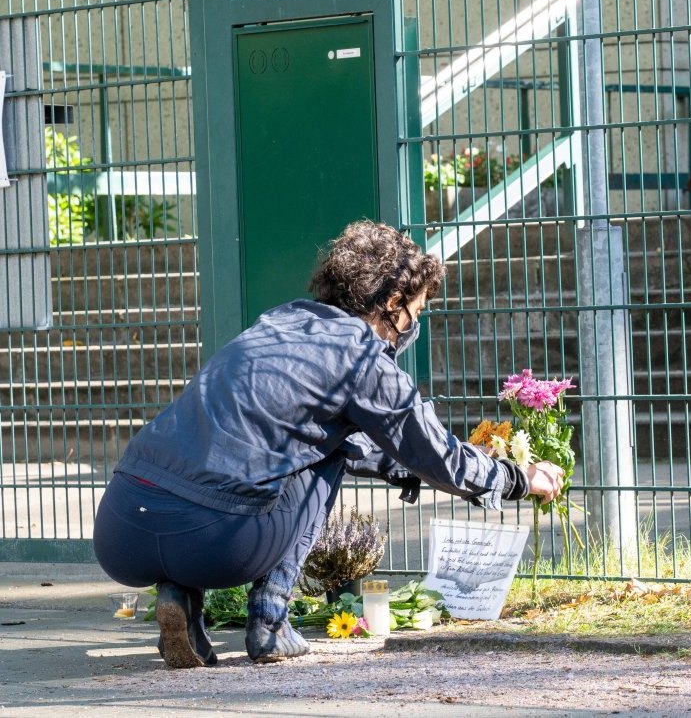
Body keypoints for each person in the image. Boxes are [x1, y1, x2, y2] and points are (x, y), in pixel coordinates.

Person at [92, 220, 565, 668]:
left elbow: (334, 440)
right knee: (331, 455)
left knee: (242, 465)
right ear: (394, 303)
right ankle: (271, 620)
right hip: (215, 542)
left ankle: (179, 597)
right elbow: (434, 454)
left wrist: (399, 466)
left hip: (121, 531)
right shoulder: (362, 356)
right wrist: (517, 479)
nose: (411, 328)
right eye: (414, 314)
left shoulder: (278, 322)